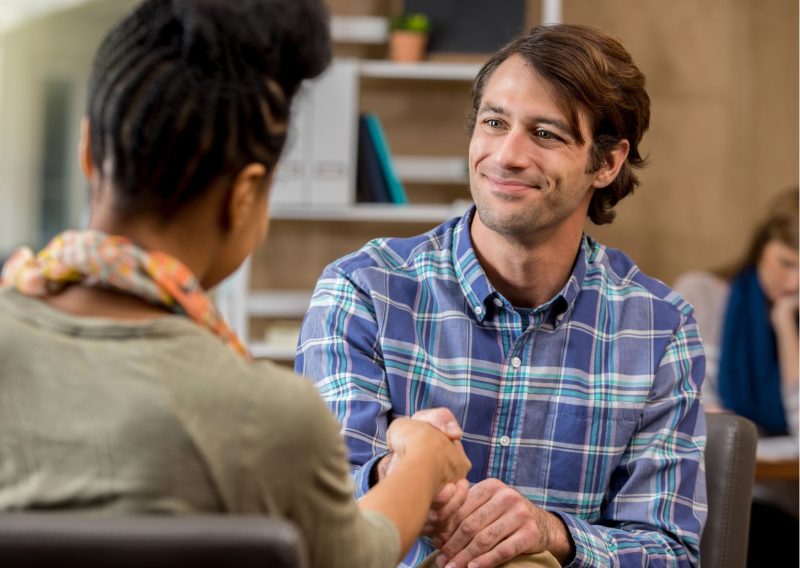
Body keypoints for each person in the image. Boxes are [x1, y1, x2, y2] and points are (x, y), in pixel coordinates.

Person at [0, 2, 472, 567]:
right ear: (244, 194)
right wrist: (420, 463)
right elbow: (354, 559)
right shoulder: (266, 418)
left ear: (86, 152)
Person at [296, 24, 707, 568]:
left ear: (606, 164)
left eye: (545, 134)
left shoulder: (659, 330)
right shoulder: (364, 291)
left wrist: (552, 533)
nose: (506, 155)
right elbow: (314, 509)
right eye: (494, 123)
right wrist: (403, 475)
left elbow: (670, 552)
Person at [673, 187, 799, 568]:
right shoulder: (704, 295)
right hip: (712, 491)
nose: (794, 283)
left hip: (782, 499)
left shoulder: (792, 317)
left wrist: (785, 330)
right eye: (787, 263)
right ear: (762, 247)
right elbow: (694, 413)